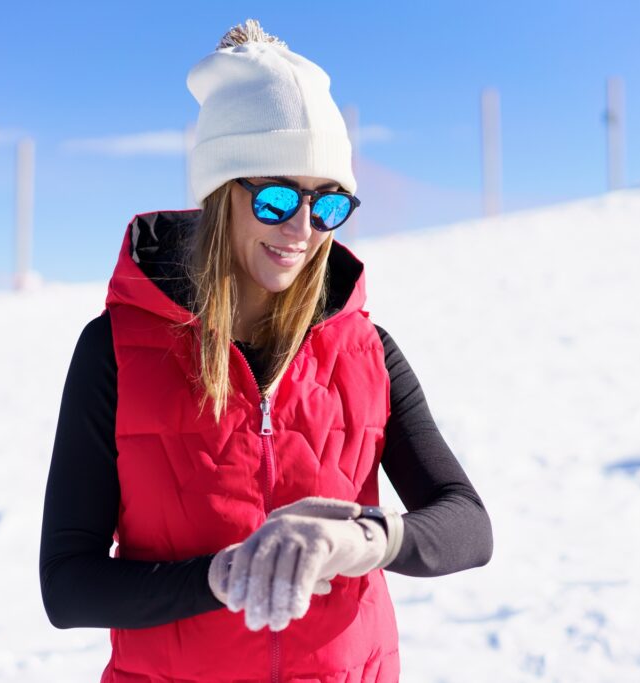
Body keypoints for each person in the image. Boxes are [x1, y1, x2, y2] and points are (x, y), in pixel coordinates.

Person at [39, 19, 493, 683]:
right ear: (223, 193)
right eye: (277, 199)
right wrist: (222, 577)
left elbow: (468, 524)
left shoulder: (367, 351)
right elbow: (67, 584)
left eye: (328, 205)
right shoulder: (114, 350)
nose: (303, 229)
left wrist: (361, 538)